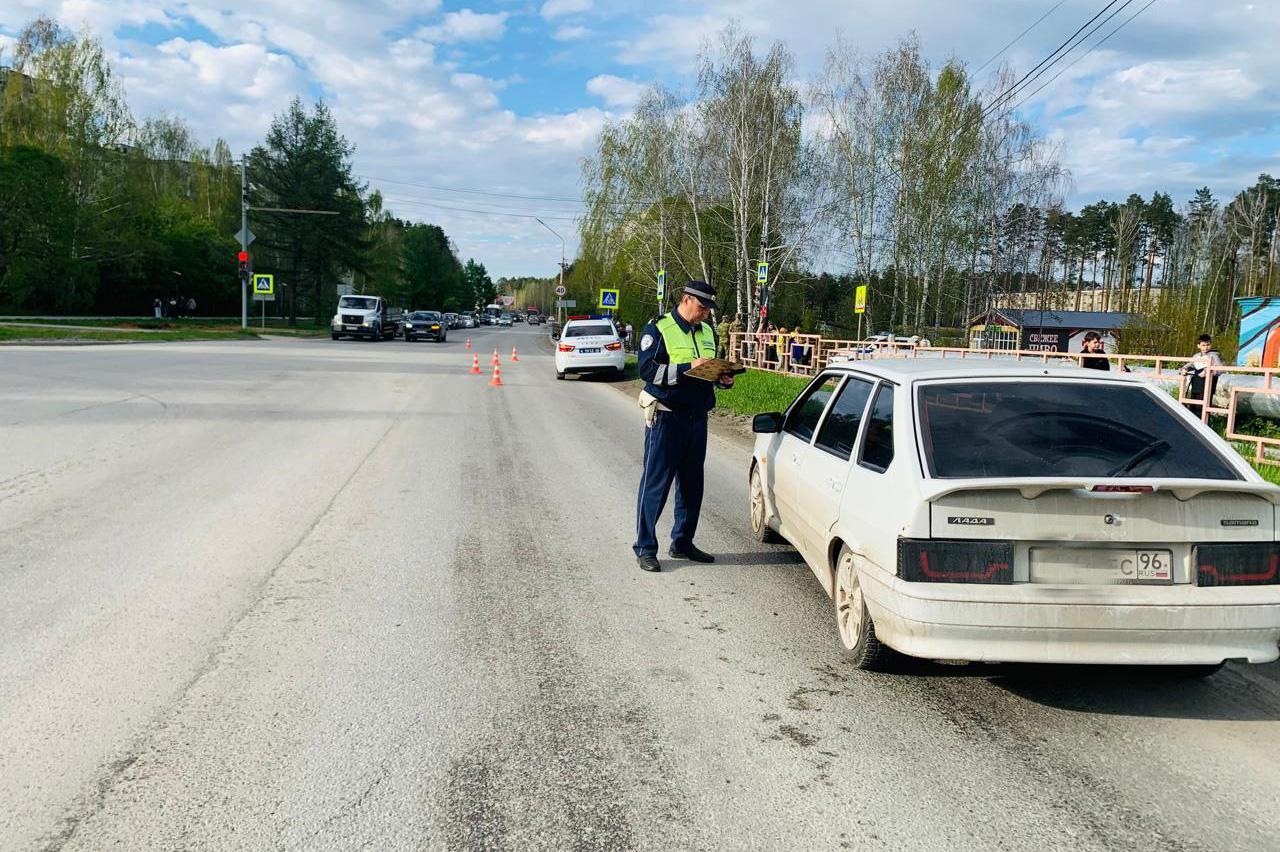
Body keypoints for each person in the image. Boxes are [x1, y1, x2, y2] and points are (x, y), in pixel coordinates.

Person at [633, 282, 735, 573]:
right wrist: (689, 366)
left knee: (692, 487)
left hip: (697, 419)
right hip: (667, 417)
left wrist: (722, 378)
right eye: (702, 307)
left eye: (708, 309)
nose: (705, 314)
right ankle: (645, 547)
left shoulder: (707, 332)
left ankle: (682, 542)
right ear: (686, 300)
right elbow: (647, 370)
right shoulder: (659, 329)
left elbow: (708, 371)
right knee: (656, 485)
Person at [1181, 334, 1223, 407]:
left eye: (1208, 345)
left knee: (1203, 408)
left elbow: (1220, 369)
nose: (1206, 347)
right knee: (1193, 405)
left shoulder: (1214, 355)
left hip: (1208, 385)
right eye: (1203, 345)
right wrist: (1184, 369)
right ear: (1198, 346)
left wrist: (1208, 372)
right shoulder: (1196, 356)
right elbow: (1191, 365)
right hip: (1196, 384)